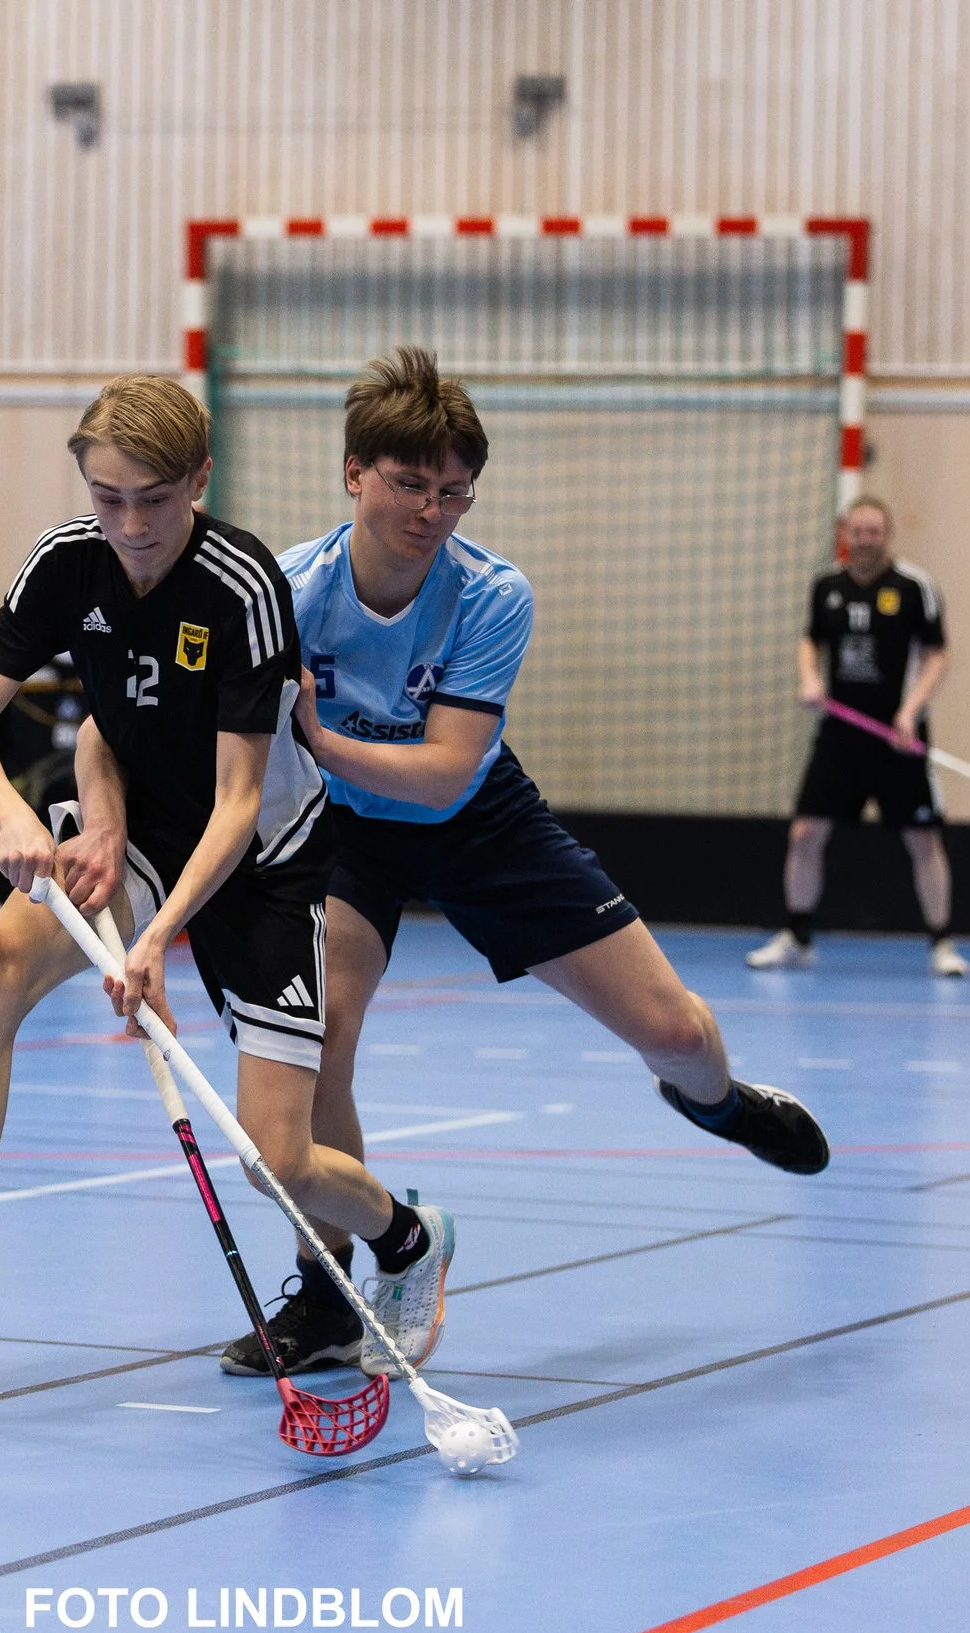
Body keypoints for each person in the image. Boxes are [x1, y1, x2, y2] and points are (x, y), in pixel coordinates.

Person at [0, 374, 450, 1388]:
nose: (131, 522)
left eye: (153, 498)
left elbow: (241, 800)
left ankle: (409, 1236)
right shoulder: (70, 561)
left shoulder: (242, 586)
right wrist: (32, 817)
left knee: (274, 1160)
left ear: (198, 479)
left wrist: (153, 942)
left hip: (266, 861)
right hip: (145, 830)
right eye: (108, 497)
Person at [248, 348, 829, 1378]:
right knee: (320, 1040)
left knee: (676, 1030)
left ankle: (719, 1103)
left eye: (453, 490)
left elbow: (441, 771)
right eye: (408, 483)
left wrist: (319, 734)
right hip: (345, 836)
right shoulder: (289, 591)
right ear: (352, 472)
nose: (431, 510)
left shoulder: (490, 592)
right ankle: (330, 1290)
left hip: (475, 817)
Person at [745, 497, 967, 977]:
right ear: (845, 532)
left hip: (898, 739)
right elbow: (811, 640)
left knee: (923, 840)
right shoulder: (826, 585)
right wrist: (810, 679)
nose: (866, 539)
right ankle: (797, 937)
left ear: (888, 534)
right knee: (805, 833)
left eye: (875, 531)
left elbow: (937, 655)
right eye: (858, 531)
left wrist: (911, 711)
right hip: (841, 736)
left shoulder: (915, 587)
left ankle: (942, 944)